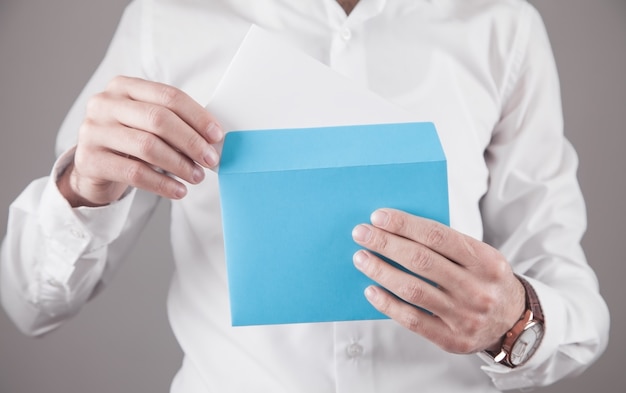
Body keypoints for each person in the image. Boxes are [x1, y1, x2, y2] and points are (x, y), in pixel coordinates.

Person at [0, 0, 610, 392]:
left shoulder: (500, 26)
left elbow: (574, 299)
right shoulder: (168, 19)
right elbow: (30, 305)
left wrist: (513, 322)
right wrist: (81, 188)